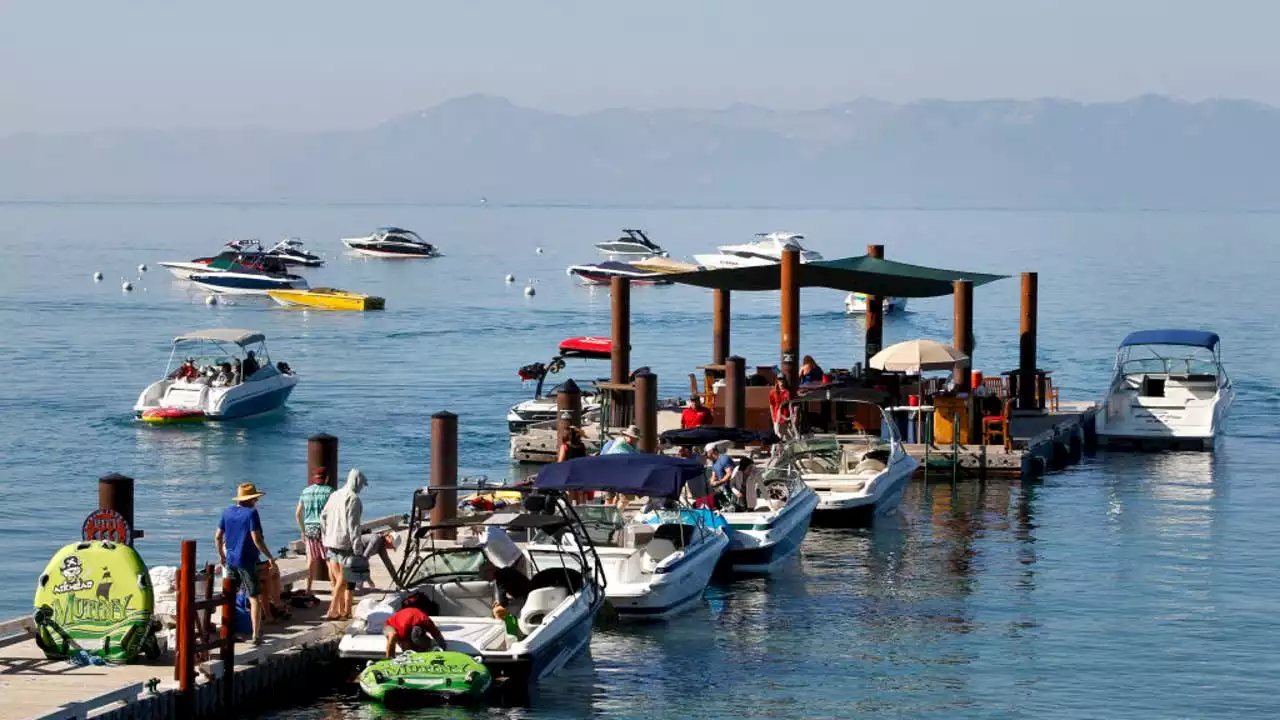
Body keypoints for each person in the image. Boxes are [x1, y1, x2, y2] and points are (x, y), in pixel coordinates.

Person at [215, 483, 277, 646]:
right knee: (253, 597)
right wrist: (270, 556)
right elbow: (256, 538)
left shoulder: (227, 512)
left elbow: (217, 537)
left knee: (229, 596)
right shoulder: (251, 514)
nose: (257, 500)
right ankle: (256, 635)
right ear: (252, 499)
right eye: (255, 498)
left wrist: (221, 555)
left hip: (230, 560)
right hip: (247, 560)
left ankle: (228, 632)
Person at [320, 468, 368, 620]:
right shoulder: (353, 499)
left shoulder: (335, 494)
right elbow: (354, 527)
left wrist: (325, 535)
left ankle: (342, 610)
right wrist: (358, 549)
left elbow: (323, 516)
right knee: (344, 577)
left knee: (338, 580)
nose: (361, 487)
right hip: (345, 543)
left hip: (330, 541)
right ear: (357, 482)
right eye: (361, 484)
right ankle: (332, 609)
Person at [295, 468, 334, 598]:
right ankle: (334, 587)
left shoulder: (305, 492)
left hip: (309, 529)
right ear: (326, 478)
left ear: (314, 478)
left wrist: (303, 530)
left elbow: (297, 514)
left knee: (310, 561)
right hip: (324, 529)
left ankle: (308, 588)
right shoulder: (329, 491)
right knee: (329, 560)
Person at [383, 593, 447, 657]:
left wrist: (443, 647)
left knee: (417, 641)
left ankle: (423, 645)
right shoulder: (403, 629)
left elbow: (436, 634)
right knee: (393, 636)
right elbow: (405, 647)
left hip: (408, 620)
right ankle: (388, 658)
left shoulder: (425, 619)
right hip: (389, 625)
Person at [769, 376, 793, 441]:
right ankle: (775, 451)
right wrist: (773, 417)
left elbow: (790, 405)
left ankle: (788, 450)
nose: (781, 382)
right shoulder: (773, 392)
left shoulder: (787, 392)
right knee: (778, 435)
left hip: (786, 417)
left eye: (782, 380)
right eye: (779, 380)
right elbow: (771, 405)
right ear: (777, 381)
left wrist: (790, 417)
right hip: (777, 417)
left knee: (789, 436)